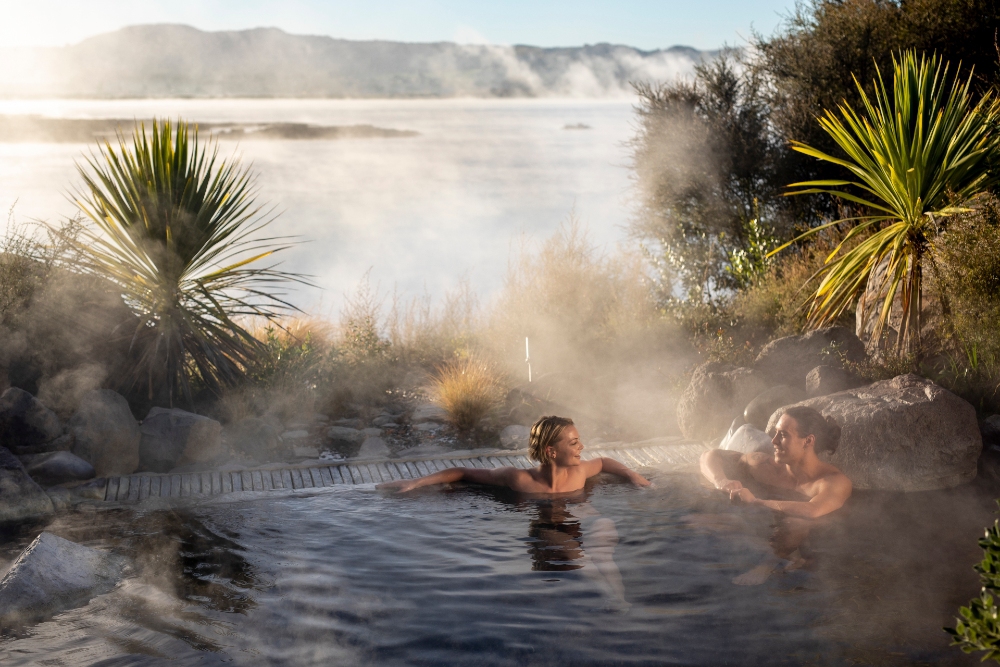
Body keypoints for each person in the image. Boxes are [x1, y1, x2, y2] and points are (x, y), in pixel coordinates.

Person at [697, 406, 852, 584]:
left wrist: (755, 501)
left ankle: (768, 565)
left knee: (799, 522)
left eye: (783, 435)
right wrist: (721, 481)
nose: (774, 441)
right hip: (764, 524)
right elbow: (710, 455)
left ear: (808, 441)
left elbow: (812, 510)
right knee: (696, 520)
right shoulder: (765, 466)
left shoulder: (833, 481)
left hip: (814, 537)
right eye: (776, 433)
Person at [376, 415, 650, 494]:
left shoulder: (579, 473)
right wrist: (415, 482)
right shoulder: (519, 479)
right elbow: (463, 472)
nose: (582, 448)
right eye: (574, 443)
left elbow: (603, 462)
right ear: (551, 451)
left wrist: (631, 474)